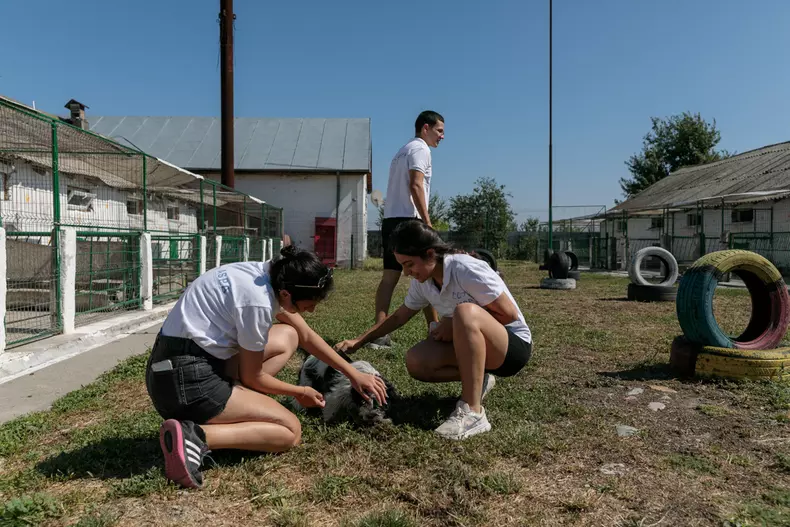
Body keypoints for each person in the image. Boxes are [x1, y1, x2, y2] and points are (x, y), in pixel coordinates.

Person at [145, 246, 388, 489]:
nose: (311, 310)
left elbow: (305, 335)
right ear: (286, 294)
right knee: (290, 430)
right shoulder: (257, 304)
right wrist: (300, 392)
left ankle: (234, 401)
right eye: (308, 304)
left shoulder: (262, 275)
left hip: (168, 371)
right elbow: (254, 377)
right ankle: (195, 435)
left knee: (289, 335)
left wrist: (352, 373)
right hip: (188, 386)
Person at [336, 220, 532, 440]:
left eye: (409, 264)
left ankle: (473, 412)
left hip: (512, 348)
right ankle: (480, 381)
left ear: (430, 254)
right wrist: (359, 341)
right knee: (416, 361)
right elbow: (399, 316)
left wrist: (453, 321)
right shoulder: (423, 282)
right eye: (402, 266)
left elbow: (509, 314)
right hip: (479, 345)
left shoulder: (464, 268)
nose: (406, 273)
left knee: (464, 311)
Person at [373, 110, 445, 348]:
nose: (442, 136)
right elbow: (416, 185)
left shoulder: (401, 151)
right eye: (439, 131)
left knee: (389, 278)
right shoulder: (421, 149)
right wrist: (427, 222)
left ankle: (379, 334)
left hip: (390, 220)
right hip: (409, 220)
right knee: (427, 274)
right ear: (426, 128)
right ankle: (435, 329)